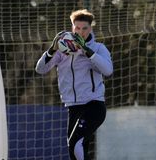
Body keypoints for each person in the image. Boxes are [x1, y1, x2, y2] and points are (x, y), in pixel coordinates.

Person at [35, 9, 113, 160]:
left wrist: (87, 51)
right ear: (72, 28)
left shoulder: (98, 48)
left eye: (84, 28)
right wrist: (52, 49)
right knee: (75, 151)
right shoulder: (62, 51)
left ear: (90, 28)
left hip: (94, 106)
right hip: (73, 107)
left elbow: (108, 70)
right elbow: (40, 69)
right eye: (77, 28)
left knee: (75, 143)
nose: (81, 32)